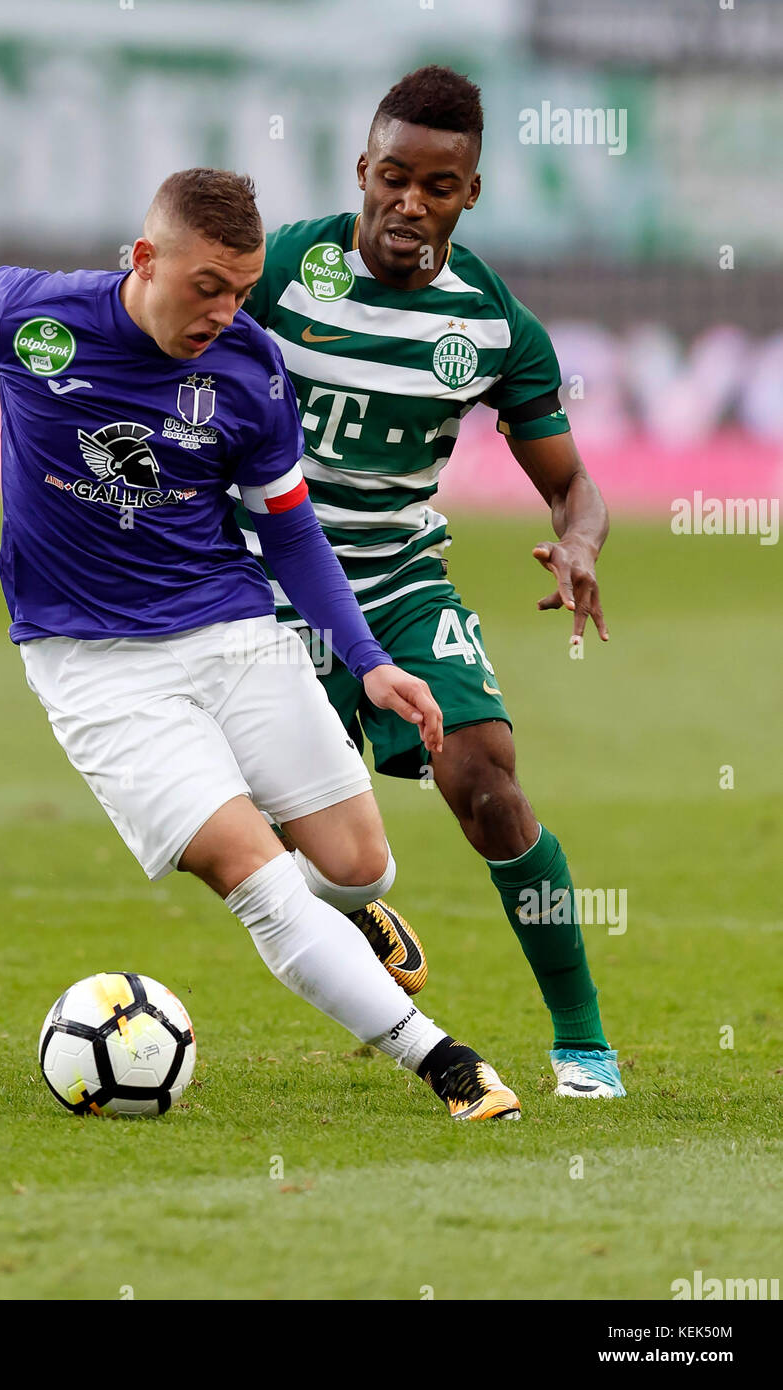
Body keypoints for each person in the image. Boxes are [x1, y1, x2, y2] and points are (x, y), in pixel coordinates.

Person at [0, 167, 522, 1120]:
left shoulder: (250, 369)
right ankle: (447, 1065)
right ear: (145, 260)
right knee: (256, 880)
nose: (225, 310)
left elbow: (291, 529)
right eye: (207, 287)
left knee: (358, 867)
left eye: (240, 288)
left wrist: (368, 659)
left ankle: (351, 912)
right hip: (94, 666)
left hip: (232, 631)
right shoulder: (32, 316)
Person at [237, 68, 625, 1098]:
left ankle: (583, 1043)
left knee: (488, 782)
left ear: (471, 194)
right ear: (363, 171)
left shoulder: (492, 325)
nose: (411, 203)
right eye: (394, 178)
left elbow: (573, 483)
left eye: (438, 186)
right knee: (277, 840)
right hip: (269, 590)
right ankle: (358, 907)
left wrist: (578, 541)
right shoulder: (280, 271)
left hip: (403, 580)